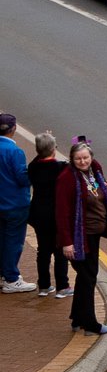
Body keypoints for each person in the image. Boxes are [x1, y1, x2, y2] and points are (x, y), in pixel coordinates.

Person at [56, 139, 107, 334]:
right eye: (78, 159)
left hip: (93, 234)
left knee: (85, 277)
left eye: (86, 157)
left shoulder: (94, 171)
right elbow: (62, 213)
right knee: (88, 277)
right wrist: (67, 242)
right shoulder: (66, 178)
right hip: (80, 238)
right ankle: (90, 324)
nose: (83, 162)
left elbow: (98, 172)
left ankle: (77, 318)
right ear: (71, 159)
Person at [28, 132, 70, 298]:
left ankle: (44, 285)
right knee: (60, 251)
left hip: (38, 213)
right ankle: (62, 286)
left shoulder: (33, 167)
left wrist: (44, 147)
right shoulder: (61, 168)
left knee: (43, 250)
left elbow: (36, 160)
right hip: (56, 215)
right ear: (54, 149)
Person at [0, 113, 34, 293]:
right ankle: (11, 278)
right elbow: (23, 178)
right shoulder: (15, 152)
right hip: (15, 205)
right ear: (13, 129)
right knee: (13, 241)